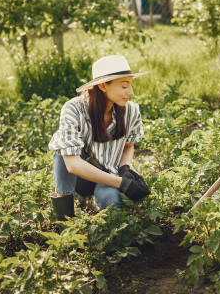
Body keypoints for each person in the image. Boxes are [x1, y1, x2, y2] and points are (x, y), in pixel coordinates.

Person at [48, 55, 151, 220]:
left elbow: (128, 145)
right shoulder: (74, 109)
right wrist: (121, 183)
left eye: (131, 85)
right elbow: (72, 164)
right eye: (124, 86)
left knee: (113, 201)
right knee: (62, 149)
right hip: (81, 179)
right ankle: (64, 220)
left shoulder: (131, 111)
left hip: (109, 175)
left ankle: (93, 201)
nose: (131, 92)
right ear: (103, 86)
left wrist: (124, 168)